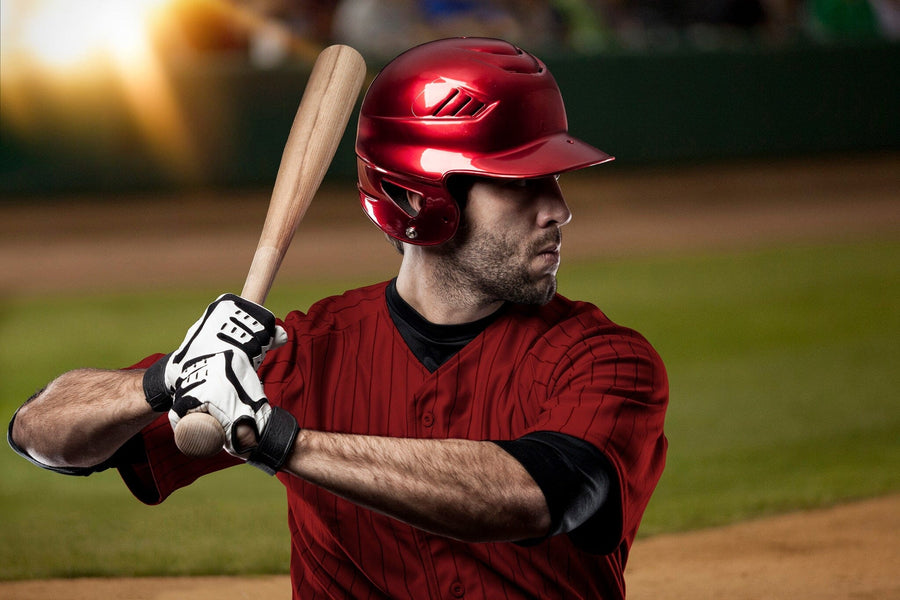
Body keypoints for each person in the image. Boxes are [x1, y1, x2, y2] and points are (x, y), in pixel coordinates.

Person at [8, 37, 668, 599]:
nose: (557, 209)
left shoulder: (604, 358)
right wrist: (166, 381)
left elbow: (537, 495)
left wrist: (276, 438)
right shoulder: (310, 351)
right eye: (521, 183)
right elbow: (39, 431)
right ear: (417, 195)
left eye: (554, 179)